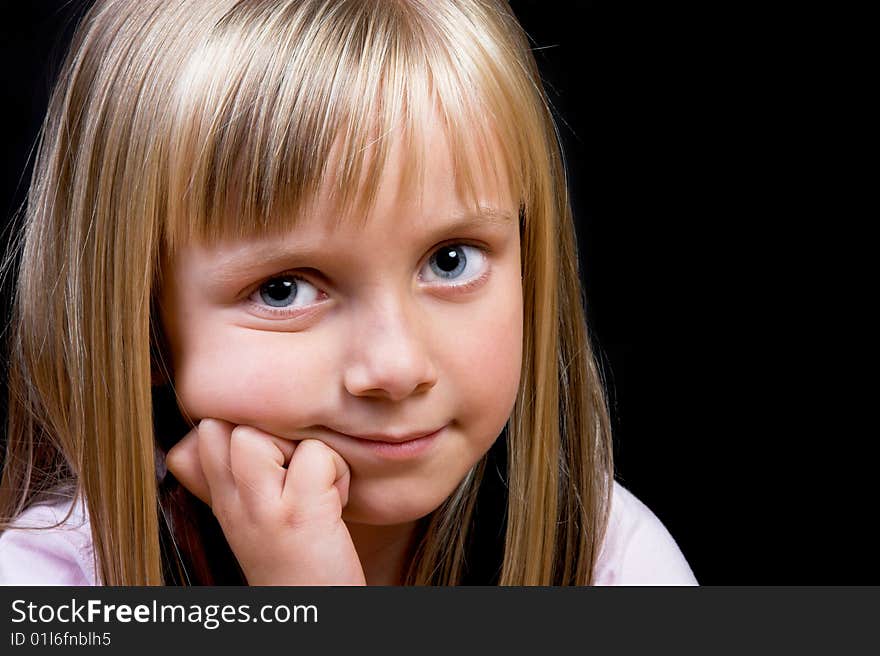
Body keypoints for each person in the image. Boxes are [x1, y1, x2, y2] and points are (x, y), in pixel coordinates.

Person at [0, 0, 696, 586]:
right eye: (283, 289)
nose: (394, 369)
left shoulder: (611, 561)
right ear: (143, 325)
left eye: (450, 260)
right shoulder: (43, 583)